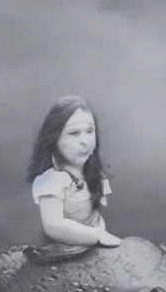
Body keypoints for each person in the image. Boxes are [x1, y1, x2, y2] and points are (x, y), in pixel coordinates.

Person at [26, 95, 122, 248]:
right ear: (55, 139)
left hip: (95, 248)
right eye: (74, 133)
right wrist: (97, 236)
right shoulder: (53, 181)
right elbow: (53, 226)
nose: (85, 141)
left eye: (89, 131)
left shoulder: (92, 174)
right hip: (64, 250)